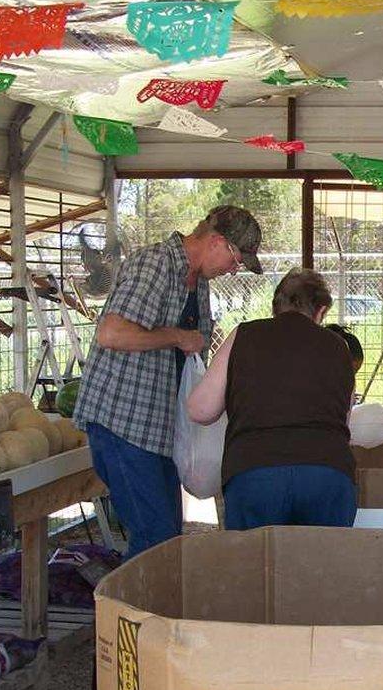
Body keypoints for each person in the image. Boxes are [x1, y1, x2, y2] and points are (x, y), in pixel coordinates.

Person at [74, 204, 262, 557]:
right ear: (217, 241)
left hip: (157, 429)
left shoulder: (197, 281)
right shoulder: (156, 264)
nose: (233, 270)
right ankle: (126, 611)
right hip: (122, 425)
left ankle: (143, 608)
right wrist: (175, 336)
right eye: (235, 260)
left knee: (167, 536)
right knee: (155, 538)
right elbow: (112, 334)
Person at [186, 268, 357, 530]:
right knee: (323, 565)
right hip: (327, 473)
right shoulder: (338, 347)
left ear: (275, 307)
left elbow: (200, 409)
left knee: (255, 566)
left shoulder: (242, 335)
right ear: (320, 311)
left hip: (255, 472)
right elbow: (345, 422)